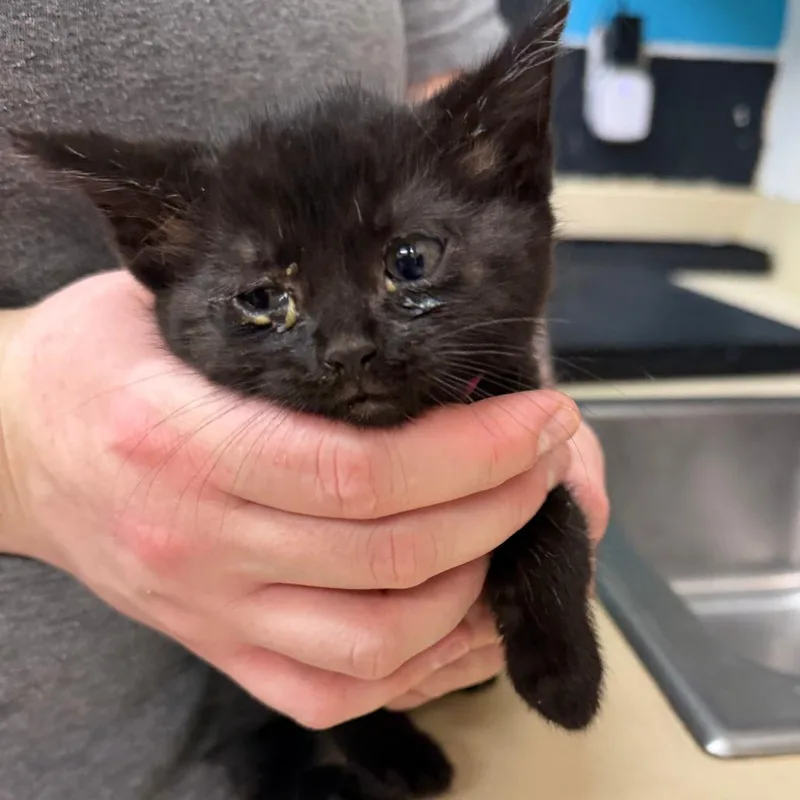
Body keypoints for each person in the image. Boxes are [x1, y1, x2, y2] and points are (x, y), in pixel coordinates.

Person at [0, 1, 610, 797]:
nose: (347, 347)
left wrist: (533, 487)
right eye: (263, 297)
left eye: (410, 262)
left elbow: (452, 91)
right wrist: (17, 451)